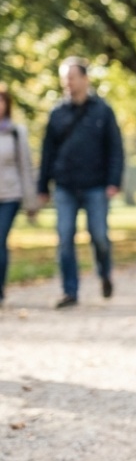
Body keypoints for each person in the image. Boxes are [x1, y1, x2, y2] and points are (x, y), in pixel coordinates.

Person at [37, 57, 125, 309]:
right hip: (65, 185)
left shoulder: (103, 111)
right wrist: (43, 186)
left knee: (99, 235)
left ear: (85, 79)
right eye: (65, 78)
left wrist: (113, 181)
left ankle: (104, 273)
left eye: (72, 77)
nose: (68, 82)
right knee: (65, 237)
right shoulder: (57, 113)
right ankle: (70, 291)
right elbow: (47, 152)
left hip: (96, 184)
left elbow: (115, 149)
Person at [0, 85, 40, 306]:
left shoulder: (16, 133)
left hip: (10, 195)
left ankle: (0, 290)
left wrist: (31, 202)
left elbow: (25, 167)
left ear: (7, 105)